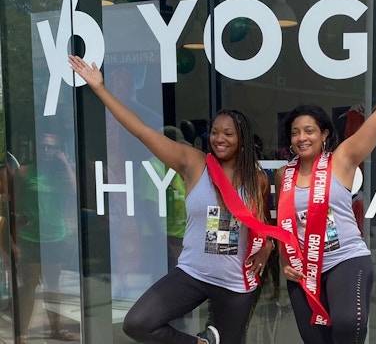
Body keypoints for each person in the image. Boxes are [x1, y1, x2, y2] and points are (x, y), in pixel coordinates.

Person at [68, 55, 276, 344]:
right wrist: (100, 88)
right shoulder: (194, 162)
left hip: (235, 281)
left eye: (229, 133)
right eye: (215, 132)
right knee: (138, 323)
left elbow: (262, 224)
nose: (220, 138)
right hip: (192, 273)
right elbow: (141, 131)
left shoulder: (257, 179)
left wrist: (268, 246)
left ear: (242, 138)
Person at [275, 26, 376, 343]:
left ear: (324, 134)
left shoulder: (342, 159)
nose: (302, 137)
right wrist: (286, 263)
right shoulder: (284, 175)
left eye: (309, 130)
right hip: (304, 270)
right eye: (295, 132)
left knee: (348, 326)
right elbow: (284, 226)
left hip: (345, 258)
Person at [13, 132, 79, 343]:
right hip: (30, 238)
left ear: (57, 150)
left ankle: (56, 329)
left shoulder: (60, 174)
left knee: (53, 284)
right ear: (37, 150)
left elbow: (75, 190)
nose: (46, 150)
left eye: (51, 147)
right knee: (29, 285)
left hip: (55, 237)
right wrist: (14, 236)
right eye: (43, 147)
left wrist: (65, 162)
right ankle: (21, 334)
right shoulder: (24, 173)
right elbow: (14, 203)